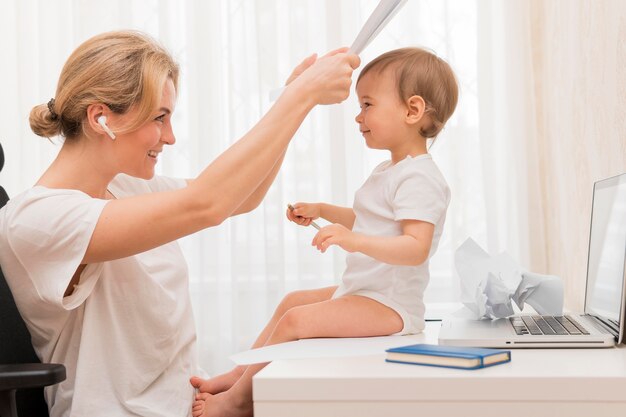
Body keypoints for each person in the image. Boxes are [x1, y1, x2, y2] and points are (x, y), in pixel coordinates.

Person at [0, 30, 359, 417]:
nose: (169, 137)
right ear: (100, 118)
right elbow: (208, 203)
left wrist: (295, 105)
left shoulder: (125, 187)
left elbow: (242, 195)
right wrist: (298, 98)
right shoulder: (38, 219)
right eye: (159, 118)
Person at [190, 47, 458, 417]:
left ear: (412, 111)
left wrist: (353, 240)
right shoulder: (390, 170)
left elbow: (416, 248)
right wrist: (323, 211)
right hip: (367, 292)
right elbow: (368, 218)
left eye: (367, 104)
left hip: (391, 306)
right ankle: (241, 374)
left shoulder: (420, 177)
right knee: (293, 302)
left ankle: (239, 402)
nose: (358, 116)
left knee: (296, 322)